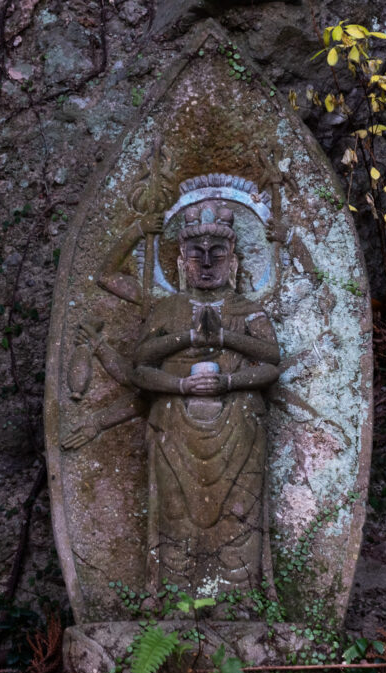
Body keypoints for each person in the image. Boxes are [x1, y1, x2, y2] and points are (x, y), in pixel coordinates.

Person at [131, 201, 281, 599]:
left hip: (239, 426)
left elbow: (271, 363)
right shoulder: (169, 309)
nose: (208, 264)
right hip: (175, 426)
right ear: (182, 260)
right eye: (197, 254)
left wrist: (228, 368)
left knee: (239, 511)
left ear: (234, 260)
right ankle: (174, 597)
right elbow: (141, 368)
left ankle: (240, 598)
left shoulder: (247, 310)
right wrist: (183, 376)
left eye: (219, 254)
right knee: (175, 513)